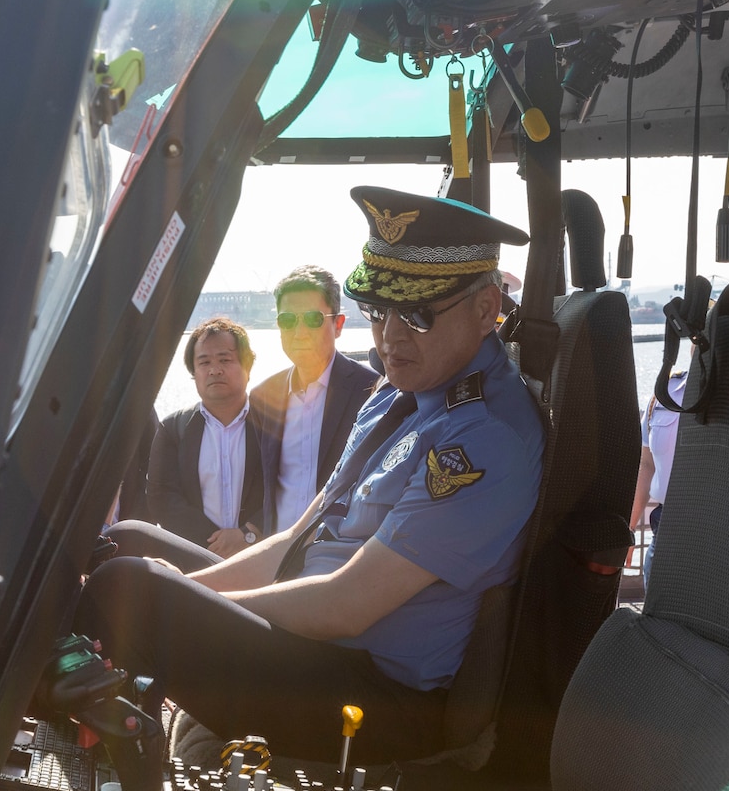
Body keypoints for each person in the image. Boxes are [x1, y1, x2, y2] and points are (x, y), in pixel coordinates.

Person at [82, 187, 543, 762]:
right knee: (121, 547)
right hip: (317, 642)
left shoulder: (483, 439)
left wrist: (175, 605)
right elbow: (297, 539)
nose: (391, 337)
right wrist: (183, 599)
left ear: (485, 307)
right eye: (380, 310)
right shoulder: (399, 392)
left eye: (418, 314)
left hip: (374, 698)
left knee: (122, 591)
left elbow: (346, 606)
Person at [249, 266, 376, 534]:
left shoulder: (372, 391)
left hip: (340, 556)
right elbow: (260, 482)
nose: (299, 331)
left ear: (338, 325)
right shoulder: (263, 397)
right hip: (276, 559)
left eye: (312, 319)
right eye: (287, 320)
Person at [146, 318, 265, 555]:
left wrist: (248, 535)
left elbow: (289, 488)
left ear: (247, 367)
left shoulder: (273, 426)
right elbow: (161, 497)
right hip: (194, 559)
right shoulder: (173, 428)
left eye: (225, 359)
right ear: (194, 372)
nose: (214, 369)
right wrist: (215, 544)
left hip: (261, 556)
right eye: (204, 362)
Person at [630, 369, 686, 587]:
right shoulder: (666, 390)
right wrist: (630, 529)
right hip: (663, 530)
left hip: (716, 533)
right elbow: (646, 464)